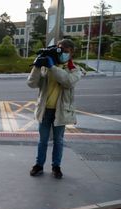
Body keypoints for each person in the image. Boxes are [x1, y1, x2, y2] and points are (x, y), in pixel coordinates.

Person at [27, 39, 82, 179]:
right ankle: (39, 165)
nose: (62, 53)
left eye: (65, 51)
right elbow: (31, 83)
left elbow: (68, 82)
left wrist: (52, 67)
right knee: (43, 140)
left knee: (58, 140)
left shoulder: (74, 69)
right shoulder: (46, 66)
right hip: (45, 110)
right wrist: (37, 67)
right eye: (60, 50)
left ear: (71, 52)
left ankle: (56, 167)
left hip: (61, 111)